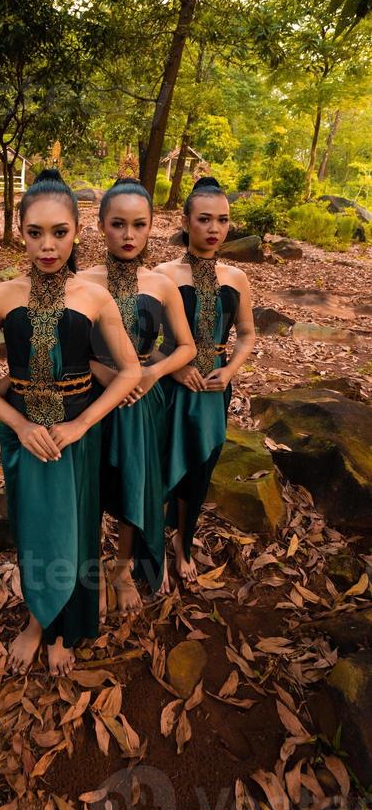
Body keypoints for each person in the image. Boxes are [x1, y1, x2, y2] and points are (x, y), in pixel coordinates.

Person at [0, 170, 141, 677]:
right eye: (35, 233)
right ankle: (38, 617)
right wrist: (16, 422)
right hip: (23, 437)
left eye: (59, 232)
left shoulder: (93, 296)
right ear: (20, 232)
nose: (47, 244)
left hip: (76, 436)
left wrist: (83, 425)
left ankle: (63, 628)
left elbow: (129, 372)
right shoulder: (1, 296)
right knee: (33, 530)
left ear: (78, 232)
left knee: (77, 532)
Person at [78, 178, 196, 614]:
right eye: (118, 224)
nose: (128, 236)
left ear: (152, 227)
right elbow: (73, 350)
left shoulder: (161, 284)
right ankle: (87, 567)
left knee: (135, 481)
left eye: (138, 225)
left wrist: (151, 373)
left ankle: (123, 568)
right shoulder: (80, 281)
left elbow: (186, 346)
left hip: (143, 402)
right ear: (100, 226)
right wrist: (105, 374)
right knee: (90, 485)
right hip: (89, 397)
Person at [155, 177, 255, 583]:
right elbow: (140, 341)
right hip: (169, 387)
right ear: (186, 221)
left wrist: (229, 370)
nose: (214, 229)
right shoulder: (161, 274)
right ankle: (150, 543)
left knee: (201, 467)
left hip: (214, 388)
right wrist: (173, 366)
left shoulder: (237, 278)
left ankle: (183, 540)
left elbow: (247, 334)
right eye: (205, 219)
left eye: (223, 220)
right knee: (163, 466)